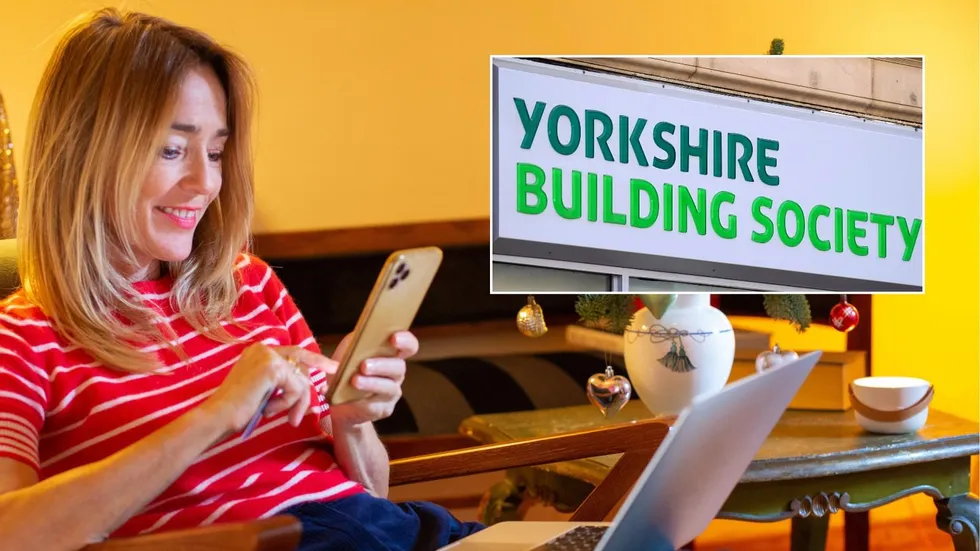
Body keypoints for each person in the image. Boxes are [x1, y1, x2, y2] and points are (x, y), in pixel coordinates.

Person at [0, 8, 483, 551]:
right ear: (82, 152)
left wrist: (349, 422)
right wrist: (216, 415)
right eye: (172, 149)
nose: (206, 183)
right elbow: (11, 533)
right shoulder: (23, 339)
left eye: (216, 151)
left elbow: (369, 496)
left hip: (392, 533)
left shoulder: (246, 284)